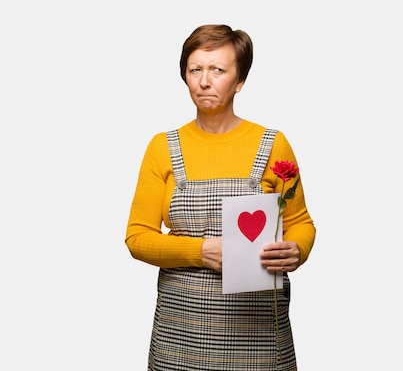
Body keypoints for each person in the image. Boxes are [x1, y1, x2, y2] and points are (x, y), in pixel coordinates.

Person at [125, 24, 316, 371]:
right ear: (185, 76)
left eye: (218, 70)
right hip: (181, 335)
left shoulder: (272, 143)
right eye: (195, 69)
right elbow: (137, 238)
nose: (204, 81)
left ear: (240, 81)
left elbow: (300, 223)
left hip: (258, 333)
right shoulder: (162, 148)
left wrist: (298, 249)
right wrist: (200, 252)